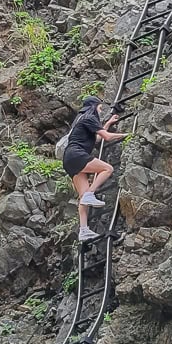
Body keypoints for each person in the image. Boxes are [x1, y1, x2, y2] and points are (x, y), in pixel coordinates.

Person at [60, 97, 127, 241]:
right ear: (94, 106)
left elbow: (96, 139)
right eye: (100, 108)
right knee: (107, 169)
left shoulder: (80, 119)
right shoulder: (90, 117)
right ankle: (91, 193)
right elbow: (107, 138)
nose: (100, 111)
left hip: (68, 159)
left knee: (82, 196)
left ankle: (84, 230)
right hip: (76, 154)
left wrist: (107, 124)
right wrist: (125, 135)